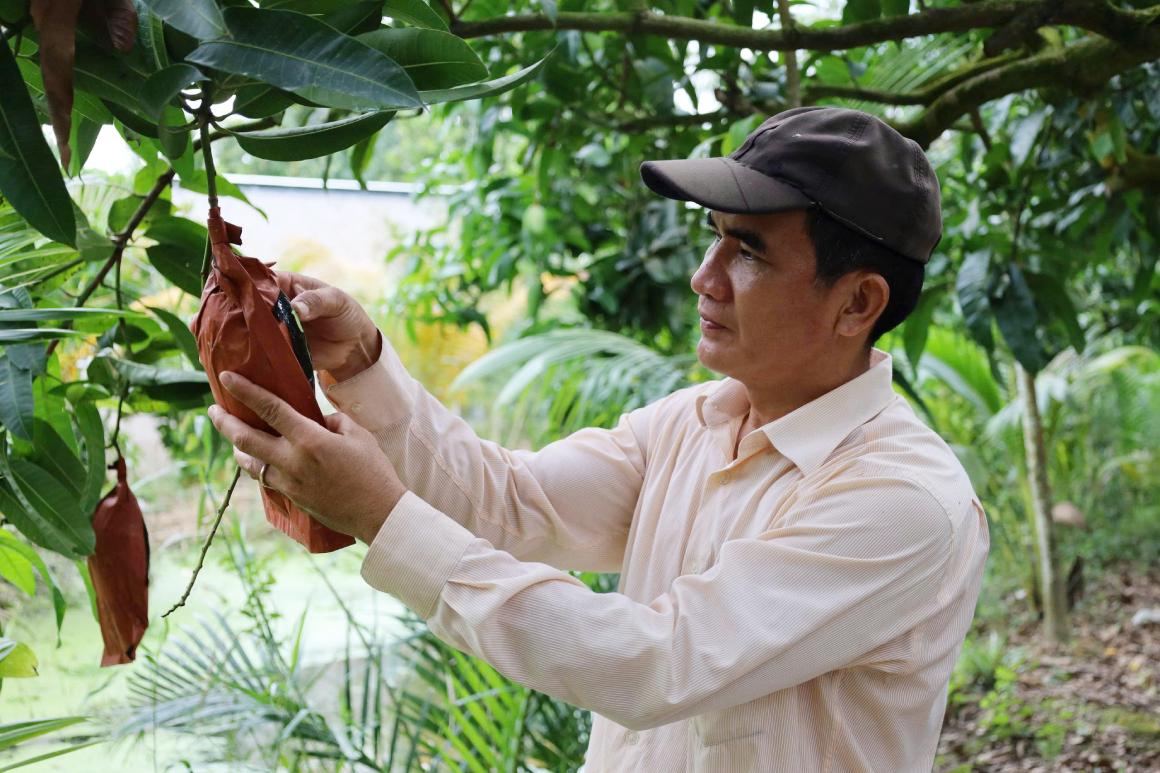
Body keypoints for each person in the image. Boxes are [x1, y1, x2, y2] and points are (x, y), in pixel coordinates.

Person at [208, 106, 989, 772]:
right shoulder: (690, 423)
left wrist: (381, 515)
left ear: (857, 303)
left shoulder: (902, 500)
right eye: (715, 237)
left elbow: (656, 663)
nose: (705, 276)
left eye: (749, 250)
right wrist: (364, 364)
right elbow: (513, 504)